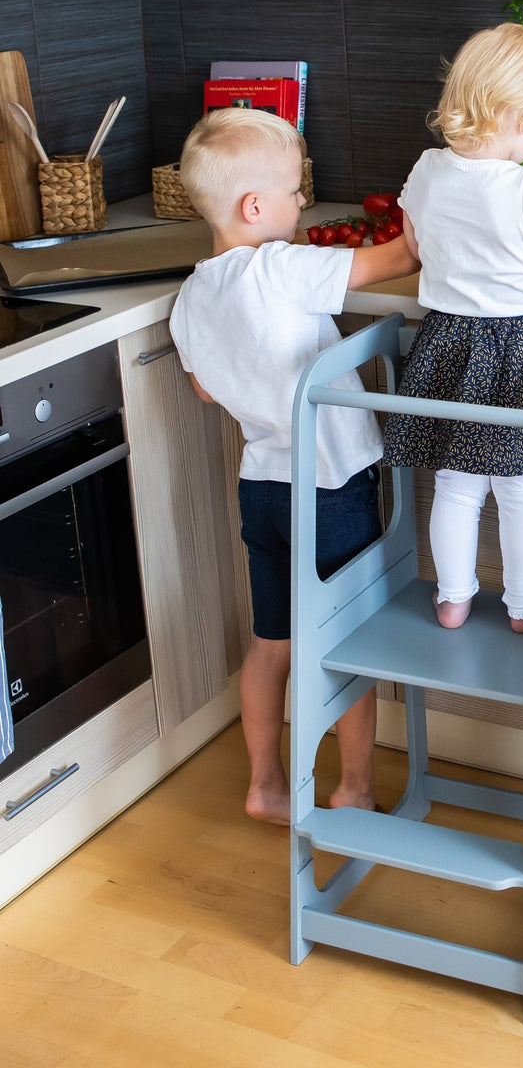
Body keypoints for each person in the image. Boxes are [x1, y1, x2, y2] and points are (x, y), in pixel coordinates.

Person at [169, 108, 419, 825]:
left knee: (271, 640)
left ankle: (265, 784)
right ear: (255, 207)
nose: (301, 203)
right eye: (292, 191)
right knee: (348, 641)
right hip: (331, 487)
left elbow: (204, 387)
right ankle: (354, 788)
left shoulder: (192, 297)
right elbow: (392, 261)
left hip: (263, 488)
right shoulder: (278, 267)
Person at [381, 22, 523, 634]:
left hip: (446, 342)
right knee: (522, 489)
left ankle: (452, 598)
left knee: (456, 483)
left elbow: (414, 245)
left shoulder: (425, 170)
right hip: (518, 346)